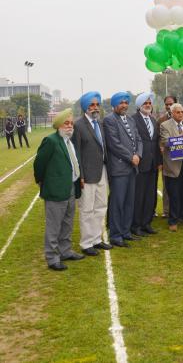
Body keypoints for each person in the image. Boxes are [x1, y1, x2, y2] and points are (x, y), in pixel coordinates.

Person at [33, 108, 84, 271]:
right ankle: (52, 257)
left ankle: (65, 251)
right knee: (54, 226)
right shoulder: (51, 141)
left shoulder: (69, 140)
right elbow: (39, 164)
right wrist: (42, 181)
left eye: (71, 123)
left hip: (70, 187)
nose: (70, 126)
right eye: (66, 123)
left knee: (67, 223)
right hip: (55, 190)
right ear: (59, 125)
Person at [72, 91, 112, 257]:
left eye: (97, 104)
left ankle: (96, 239)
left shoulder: (100, 123)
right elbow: (77, 152)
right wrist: (80, 175)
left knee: (101, 207)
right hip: (87, 175)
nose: (95, 107)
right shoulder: (79, 125)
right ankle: (86, 243)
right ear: (85, 107)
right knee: (87, 209)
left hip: (102, 171)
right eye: (92, 105)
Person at [103, 92, 143, 247]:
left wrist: (138, 154)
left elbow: (138, 139)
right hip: (119, 168)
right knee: (117, 203)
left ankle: (126, 232)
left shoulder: (131, 119)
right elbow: (114, 143)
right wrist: (130, 157)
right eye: (121, 103)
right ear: (114, 105)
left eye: (126, 102)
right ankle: (116, 235)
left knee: (128, 202)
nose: (124, 105)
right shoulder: (109, 120)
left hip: (132, 167)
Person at [160, 103, 183, 231]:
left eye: (182, 112)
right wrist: (182, 136)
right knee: (174, 194)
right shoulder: (165, 125)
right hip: (173, 165)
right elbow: (165, 142)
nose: (181, 114)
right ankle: (173, 220)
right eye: (178, 112)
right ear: (172, 113)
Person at [132, 92, 161, 236]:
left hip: (153, 165)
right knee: (139, 196)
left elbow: (155, 143)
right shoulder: (133, 120)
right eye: (145, 103)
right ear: (139, 106)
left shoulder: (154, 121)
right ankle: (136, 225)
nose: (148, 105)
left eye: (150, 103)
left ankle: (146, 223)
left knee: (150, 195)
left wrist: (159, 162)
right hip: (140, 164)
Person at [157, 95, 177, 218]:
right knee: (166, 186)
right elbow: (158, 140)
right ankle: (166, 210)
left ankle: (178, 210)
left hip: (180, 159)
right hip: (166, 158)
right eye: (167, 104)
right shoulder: (161, 120)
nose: (169, 106)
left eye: (171, 104)